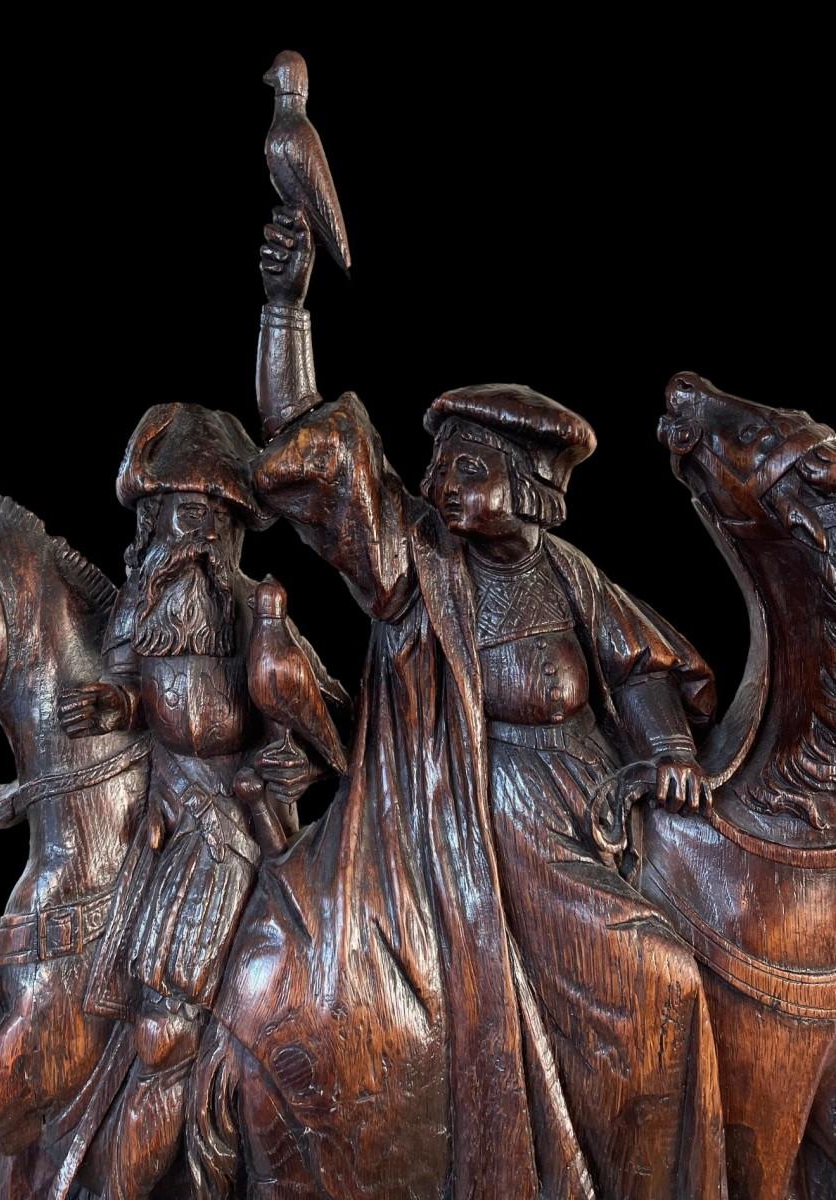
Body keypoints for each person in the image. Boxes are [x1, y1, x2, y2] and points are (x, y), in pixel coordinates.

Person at [243, 207, 728, 1198]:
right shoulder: (419, 566)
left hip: (593, 811)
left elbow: (639, 668)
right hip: (481, 818)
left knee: (716, 929)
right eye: (439, 466)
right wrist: (284, 309)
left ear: (530, 486)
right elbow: (308, 442)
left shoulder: (570, 575)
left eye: (467, 468)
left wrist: (670, 749)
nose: (439, 483)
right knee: (663, 980)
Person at [58, 403, 346, 1200]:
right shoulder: (140, 608)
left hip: (228, 822)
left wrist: (293, 764)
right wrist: (116, 705)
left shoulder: (250, 608)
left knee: (165, 1027)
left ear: (233, 531)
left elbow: (314, 713)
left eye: (211, 519)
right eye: (179, 516)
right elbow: (130, 689)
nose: (194, 536)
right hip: (161, 814)